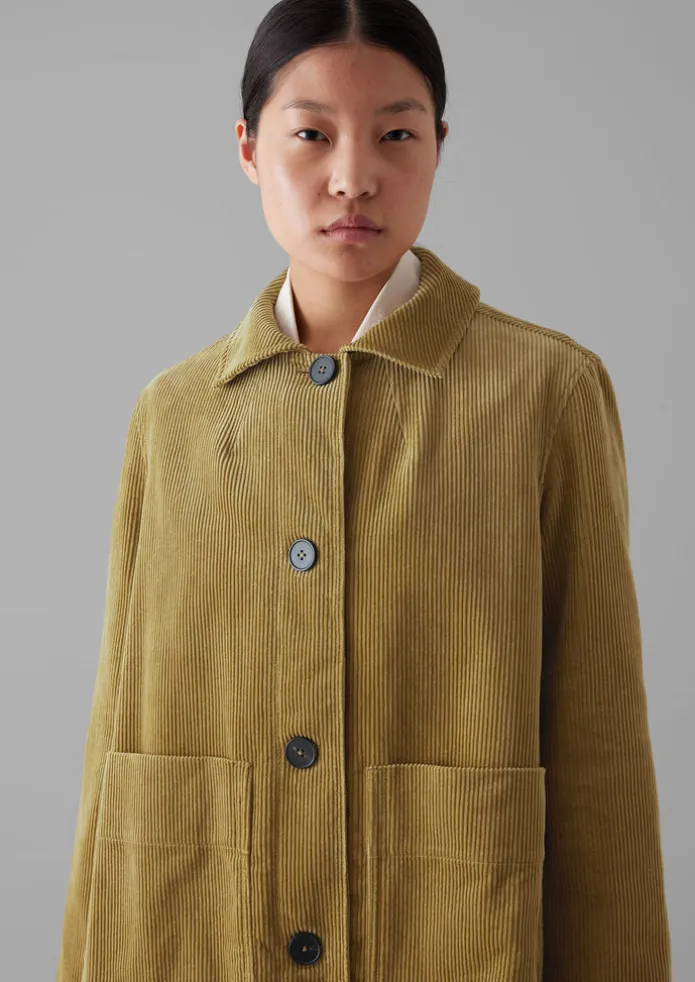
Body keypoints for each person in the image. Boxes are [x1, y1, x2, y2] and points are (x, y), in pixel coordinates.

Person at [56, 1, 672, 980]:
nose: (352, 176)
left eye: (395, 134)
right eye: (310, 134)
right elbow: (115, 750)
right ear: (248, 148)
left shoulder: (543, 394)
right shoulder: (172, 416)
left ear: (438, 147)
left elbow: (601, 763)